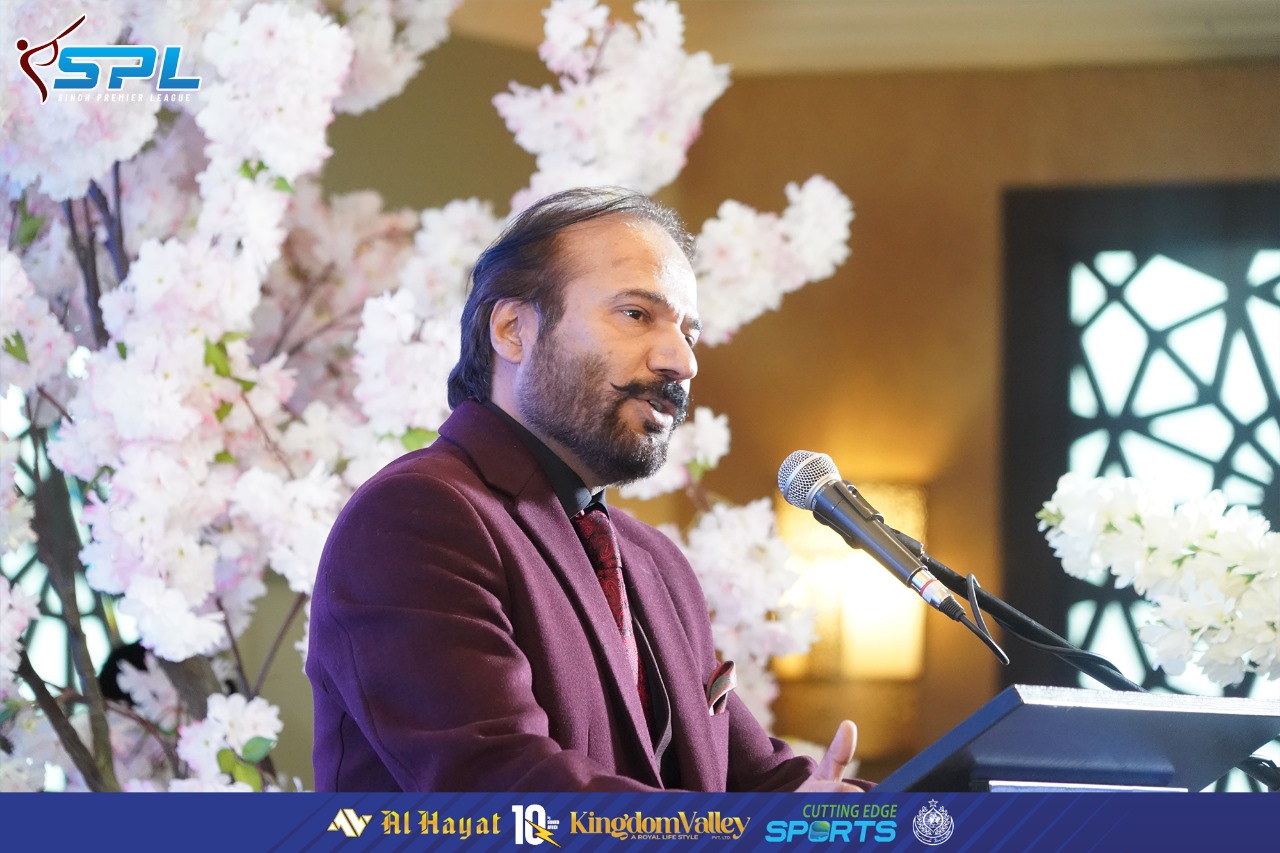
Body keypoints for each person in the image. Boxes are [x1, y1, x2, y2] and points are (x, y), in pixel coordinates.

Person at [307, 187, 863, 791]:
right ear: (513, 330)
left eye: (690, 333)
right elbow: (510, 793)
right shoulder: (416, 518)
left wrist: (893, 818)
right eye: (636, 314)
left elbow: (763, 784)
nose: (682, 361)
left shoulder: (655, 562)